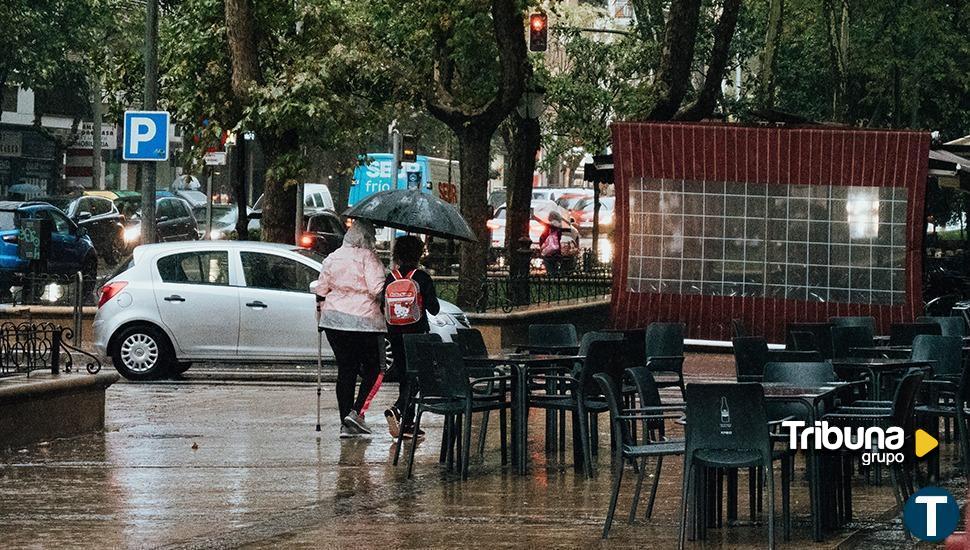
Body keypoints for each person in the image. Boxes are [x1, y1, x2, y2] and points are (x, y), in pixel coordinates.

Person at [314, 220, 387, 438]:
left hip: (334, 322)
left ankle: (344, 421)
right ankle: (356, 413)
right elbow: (376, 289)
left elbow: (321, 289)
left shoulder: (332, 257)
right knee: (375, 368)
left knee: (346, 370)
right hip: (364, 322)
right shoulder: (368, 257)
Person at [382, 235, 440, 439]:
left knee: (404, 377)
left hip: (395, 334)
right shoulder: (422, 278)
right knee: (416, 377)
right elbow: (434, 309)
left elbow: (384, 307)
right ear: (418, 254)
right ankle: (399, 410)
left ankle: (407, 423)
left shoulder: (391, 278)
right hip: (417, 334)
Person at [539, 210, 565, 276]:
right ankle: (554, 274)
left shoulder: (552, 225)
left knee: (548, 262)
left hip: (551, 249)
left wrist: (542, 245)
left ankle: (551, 275)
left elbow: (544, 236)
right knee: (554, 264)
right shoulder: (559, 225)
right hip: (556, 249)